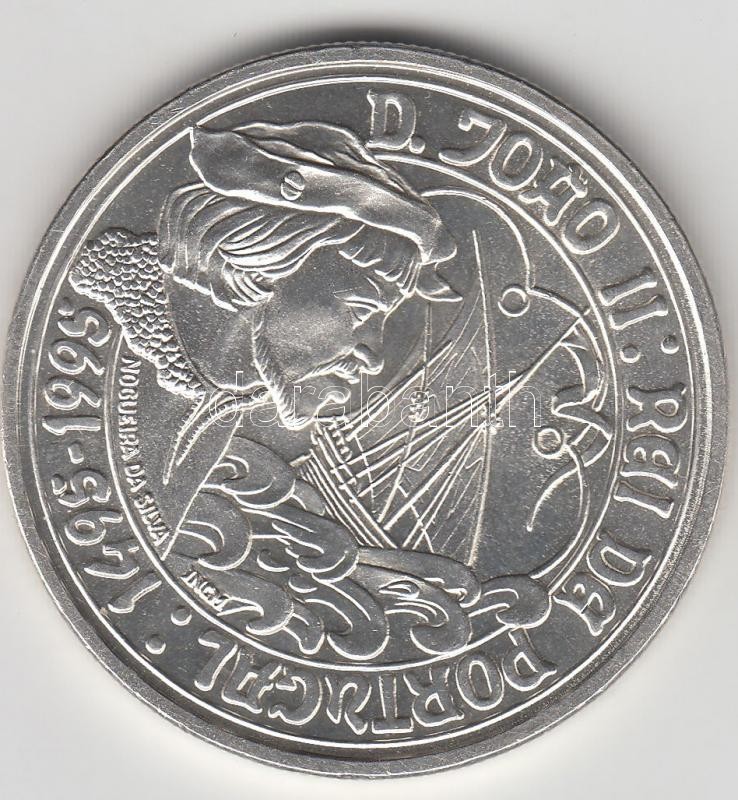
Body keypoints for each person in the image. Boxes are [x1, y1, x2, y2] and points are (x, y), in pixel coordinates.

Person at [71, 121, 549, 662]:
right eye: (362, 310)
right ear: (259, 270)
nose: (373, 354)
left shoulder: (219, 392)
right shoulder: (134, 367)